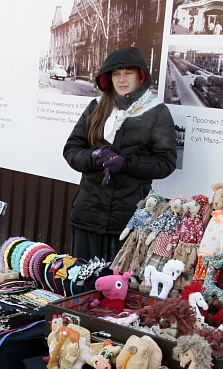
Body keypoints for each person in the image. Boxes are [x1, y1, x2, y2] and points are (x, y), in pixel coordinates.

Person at [62, 46, 176, 262]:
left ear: (140, 76)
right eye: (116, 74)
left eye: (128, 73)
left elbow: (165, 162)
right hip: (88, 212)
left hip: (128, 218)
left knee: (115, 287)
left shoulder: (156, 112)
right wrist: (93, 159)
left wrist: (125, 163)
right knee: (82, 281)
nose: (121, 79)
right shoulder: (97, 107)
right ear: (108, 78)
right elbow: (72, 149)